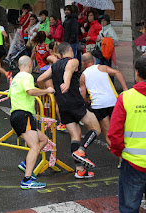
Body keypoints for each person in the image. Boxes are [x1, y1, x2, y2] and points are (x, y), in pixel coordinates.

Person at [37, 42, 101, 179]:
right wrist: (66, 83)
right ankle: (81, 151)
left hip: (62, 105)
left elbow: (40, 78)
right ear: (70, 50)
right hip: (74, 102)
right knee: (96, 128)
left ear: (59, 54)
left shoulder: (54, 66)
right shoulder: (73, 61)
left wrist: (46, 91)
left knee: (75, 136)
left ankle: (79, 170)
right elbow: (68, 70)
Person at [9, 55, 54, 189]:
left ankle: (25, 164)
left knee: (43, 139)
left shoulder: (16, 78)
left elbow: (11, 95)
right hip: (23, 115)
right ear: (30, 64)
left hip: (17, 114)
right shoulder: (27, 76)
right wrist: (47, 91)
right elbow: (30, 91)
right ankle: (27, 180)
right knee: (34, 146)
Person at [108, 56, 146, 212]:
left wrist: (118, 152)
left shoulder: (126, 98)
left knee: (129, 207)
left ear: (137, 73)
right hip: (133, 163)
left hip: (132, 163)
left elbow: (114, 133)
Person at [80, 52, 128, 147]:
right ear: (93, 60)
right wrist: (125, 88)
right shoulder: (103, 68)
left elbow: (83, 95)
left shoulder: (83, 76)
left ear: (83, 63)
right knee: (121, 128)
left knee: (108, 133)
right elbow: (117, 72)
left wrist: (87, 102)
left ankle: (120, 158)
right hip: (113, 102)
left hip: (98, 105)